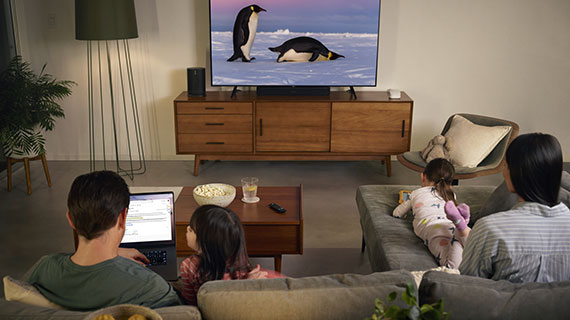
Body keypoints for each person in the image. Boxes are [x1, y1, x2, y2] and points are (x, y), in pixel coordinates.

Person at [28, 171, 181, 310]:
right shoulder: (153, 288)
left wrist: (117, 253)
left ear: (70, 220)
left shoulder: (43, 269)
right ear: (122, 218)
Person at [454, 133, 570, 282]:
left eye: (506, 166)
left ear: (516, 173)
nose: (503, 172)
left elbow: (467, 288)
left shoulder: (489, 229)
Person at [180, 205, 284, 305]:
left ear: (207, 241)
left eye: (191, 230)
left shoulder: (188, 266)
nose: (187, 228)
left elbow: (190, 305)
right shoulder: (238, 257)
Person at [392, 158, 470, 268]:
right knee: (469, 245)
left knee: (451, 266)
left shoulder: (416, 194)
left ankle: (459, 229)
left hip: (432, 228)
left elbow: (397, 213)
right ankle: (461, 225)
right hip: (449, 224)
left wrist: (409, 205)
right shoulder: (451, 195)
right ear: (450, 183)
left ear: (423, 176)